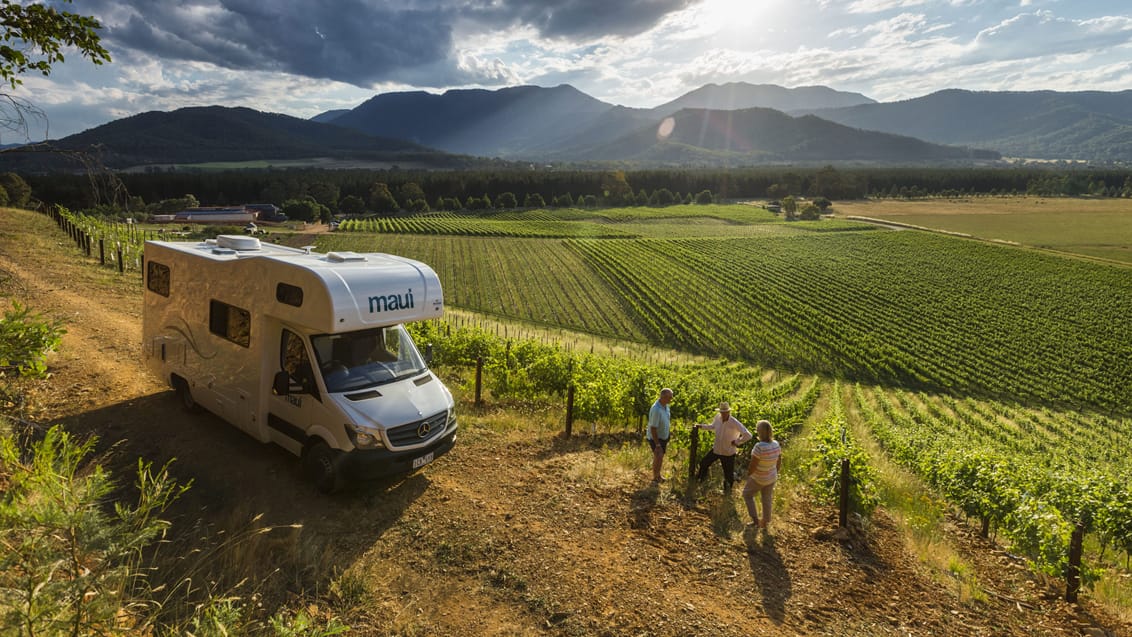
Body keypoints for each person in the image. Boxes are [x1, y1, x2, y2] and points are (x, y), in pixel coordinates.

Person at [694, 402, 752, 493]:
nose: (723, 414)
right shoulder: (717, 418)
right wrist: (701, 426)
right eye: (722, 412)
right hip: (716, 449)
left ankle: (727, 493)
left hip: (728, 452)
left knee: (728, 474)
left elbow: (748, 435)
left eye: (725, 412)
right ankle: (700, 480)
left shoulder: (734, 422)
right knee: (704, 463)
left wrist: (737, 441)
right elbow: (712, 426)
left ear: (729, 412)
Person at [743, 419, 782, 529]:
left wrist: (749, 474)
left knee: (747, 494)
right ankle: (764, 523)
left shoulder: (759, 447)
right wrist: (775, 472)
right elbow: (779, 460)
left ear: (760, 432)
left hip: (759, 478)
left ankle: (755, 521)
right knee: (767, 498)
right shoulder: (776, 444)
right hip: (771, 477)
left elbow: (753, 465)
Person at [646, 388, 673, 483]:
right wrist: (657, 444)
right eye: (670, 397)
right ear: (663, 397)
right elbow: (653, 428)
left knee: (660, 457)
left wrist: (668, 433)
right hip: (656, 437)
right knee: (658, 455)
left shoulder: (666, 406)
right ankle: (655, 477)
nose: (671, 399)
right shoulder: (656, 409)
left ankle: (658, 475)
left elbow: (666, 420)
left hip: (663, 436)